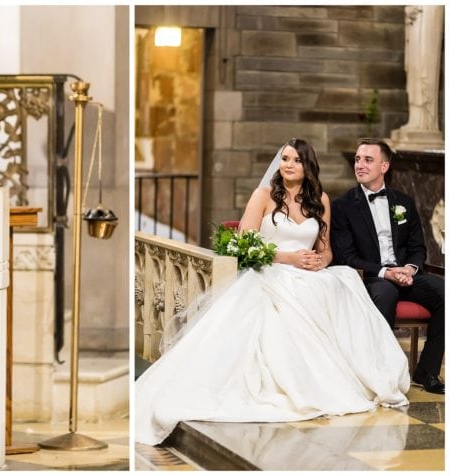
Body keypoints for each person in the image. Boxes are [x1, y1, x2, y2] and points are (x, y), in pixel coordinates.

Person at [134, 138, 410, 446]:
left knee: (341, 281)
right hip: (270, 272)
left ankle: (345, 374)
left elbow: (327, 249)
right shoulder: (263, 195)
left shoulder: (320, 199)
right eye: (285, 159)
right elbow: (244, 244)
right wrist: (288, 257)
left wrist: (321, 261)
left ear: (308, 166)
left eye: (296, 160)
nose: (288, 164)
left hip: (309, 275)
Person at [331, 138, 444, 394]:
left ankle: (426, 372)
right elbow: (347, 256)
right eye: (358, 159)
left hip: (405, 274)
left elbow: (418, 247)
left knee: (444, 294)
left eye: (368, 160)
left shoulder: (404, 201)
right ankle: (378, 372)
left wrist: (410, 269)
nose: (359, 165)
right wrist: (386, 272)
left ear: (384, 166)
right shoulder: (343, 206)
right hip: (372, 277)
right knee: (386, 292)